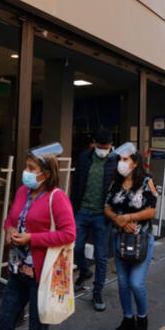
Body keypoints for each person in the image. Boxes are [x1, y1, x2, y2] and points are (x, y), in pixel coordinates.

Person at [0, 143, 75, 330]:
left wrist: (32, 238)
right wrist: (9, 229)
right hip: (16, 271)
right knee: (3, 322)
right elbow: (10, 220)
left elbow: (69, 233)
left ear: (45, 173)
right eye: (26, 166)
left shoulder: (57, 197)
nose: (26, 171)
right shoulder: (23, 191)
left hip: (40, 274)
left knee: (38, 329)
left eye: (31, 167)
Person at [105, 143, 157, 330]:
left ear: (135, 163)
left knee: (136, 282)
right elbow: (107, 207)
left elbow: (152, 210)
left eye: (125, 159)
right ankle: (128, 319)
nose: (121, 163)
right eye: (120, 159)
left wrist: (128, 218)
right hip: (119, 239)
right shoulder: (115, 183)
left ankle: (142, 318)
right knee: (122, 283)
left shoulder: (146, 181)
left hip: (141, 240)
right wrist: (117, 219)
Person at [70, 129, 118, 310]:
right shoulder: (84, 157)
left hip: (102, 215)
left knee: (101, 255)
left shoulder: (115, 161)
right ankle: (84, 270)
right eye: (100, 147)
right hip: (81, 211)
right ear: (94, 144)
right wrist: (71, 209)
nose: (103, 150)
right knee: (75, 247)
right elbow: (76, 185)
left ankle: (97, 291)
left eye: (106, 147)